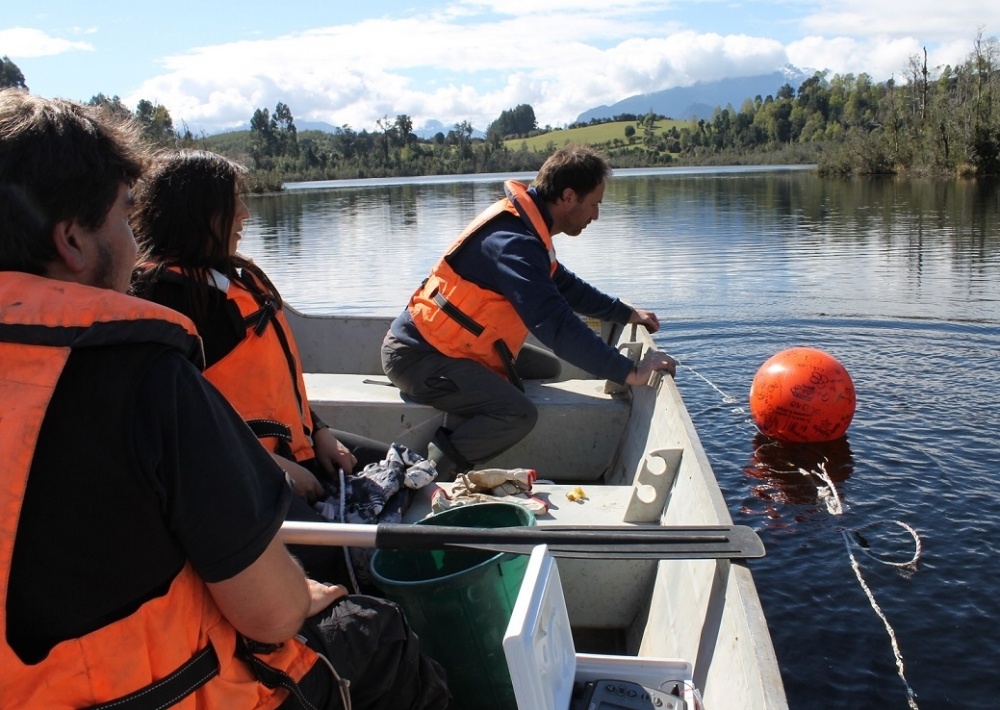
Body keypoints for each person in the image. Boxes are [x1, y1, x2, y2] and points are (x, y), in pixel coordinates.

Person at [0, 89, 449, 709]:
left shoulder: (212, 300)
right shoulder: (143, 370)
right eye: (122, 219)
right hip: (163, 692)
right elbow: (273, 616)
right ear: (73, 240)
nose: (134, 247)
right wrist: (301, 594)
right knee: (376, 631)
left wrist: (314, 430)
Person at [130, 149, 398, 583]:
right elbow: (180, 432)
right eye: (232, 201)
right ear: (198, 212)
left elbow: (276, 381)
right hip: (238, 472)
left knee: (399, 470)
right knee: (338, 561)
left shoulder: (236, 278)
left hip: (296, 445)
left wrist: (320, 429)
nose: (246, 213)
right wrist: (273, 469)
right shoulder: (165, 301)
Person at [381, 145, 677, 479]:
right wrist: (631, 371)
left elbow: (564, 285)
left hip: (455, 348)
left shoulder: (525, 229)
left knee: (548, 367)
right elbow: (556, 326)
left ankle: (469, 405)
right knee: (517, 413)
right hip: (417, 357)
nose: (596, 215)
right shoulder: (514, 243)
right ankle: (424, 474)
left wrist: (623, 312)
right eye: (594, 204)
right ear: (568, 197)